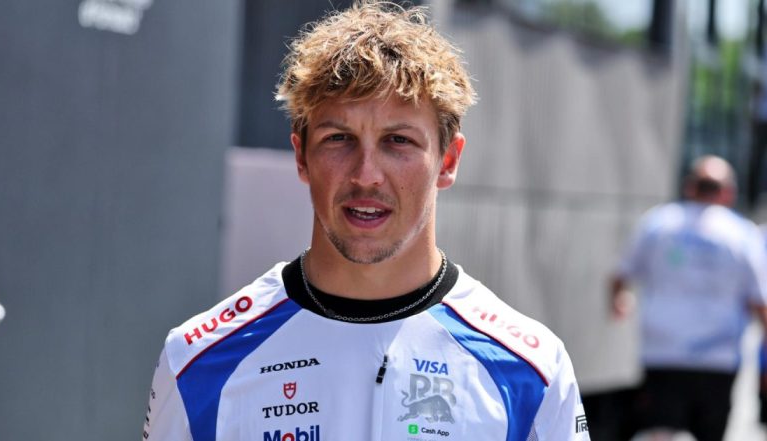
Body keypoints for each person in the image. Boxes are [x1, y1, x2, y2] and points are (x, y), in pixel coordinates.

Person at [142, 2, 589, 440]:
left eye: (398, 141)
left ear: (448, 161)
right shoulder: (198, 361)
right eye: (339, 138)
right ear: (301, 156)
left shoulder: (531, 373)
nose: (366, 175)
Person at [610, 155, 767, 441]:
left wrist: (620, 301)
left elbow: (621, 274)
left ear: (689, 187)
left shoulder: (658, 222)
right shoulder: (742, 234)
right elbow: (760, 302)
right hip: (717, 359)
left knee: (660, 433)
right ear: (728, 193)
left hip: (663, 352)